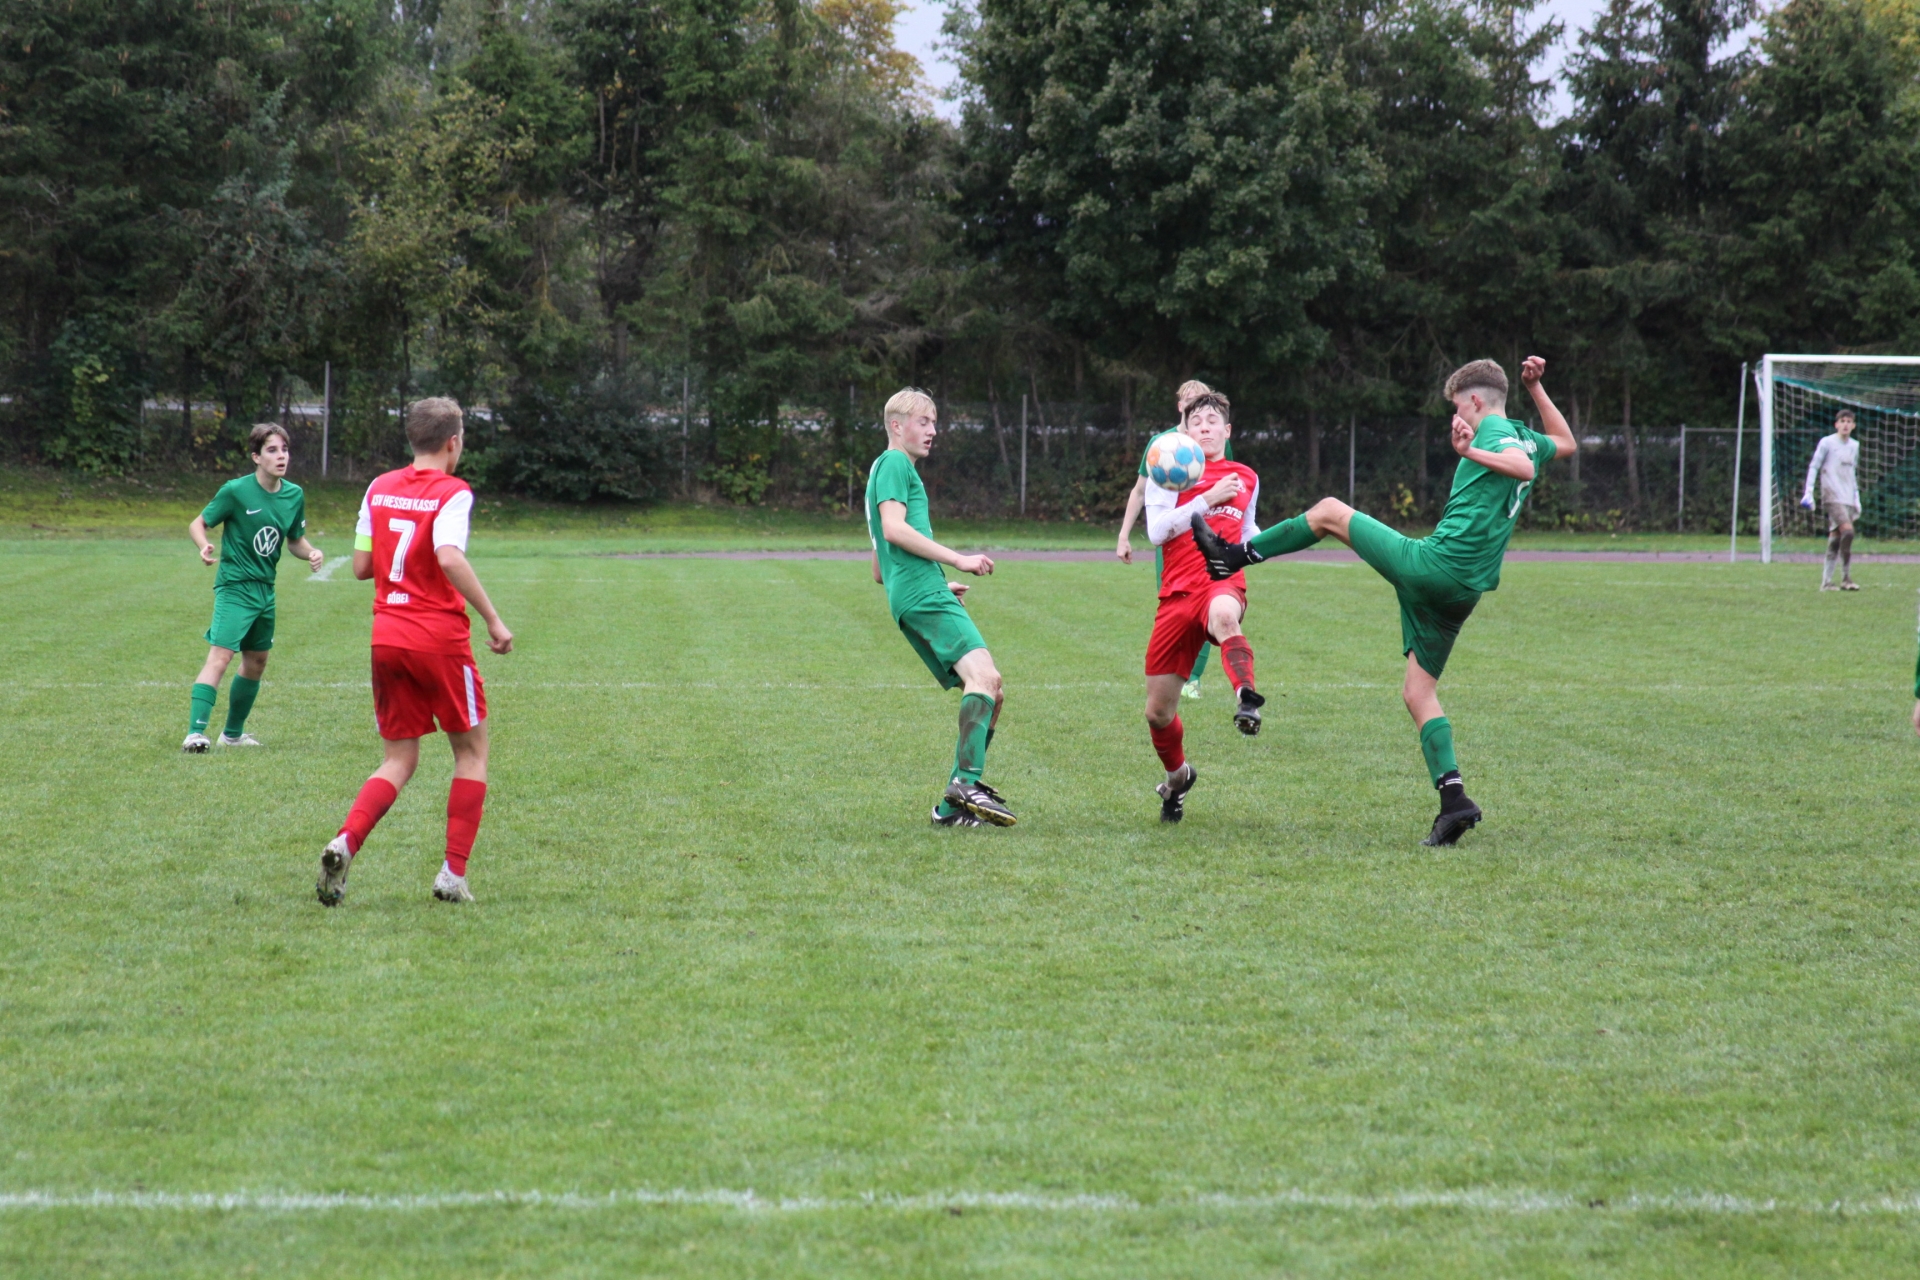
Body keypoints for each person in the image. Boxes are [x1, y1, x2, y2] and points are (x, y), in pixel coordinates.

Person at [1190, 357, 1575, 846]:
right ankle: (1454, 801)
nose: (1457, 418)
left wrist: (1470, 450)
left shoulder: (1496, 435)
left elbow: (1522, 467)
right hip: (1465, 590)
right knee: (1418, 693)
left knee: (1329, 512)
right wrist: (1536, 387)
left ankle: (1231, 556)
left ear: (1476, 401)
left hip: (1435, 567)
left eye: (1459, 408)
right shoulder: (1522, 434)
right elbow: (1565, 442)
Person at [316, 397, 513, 907]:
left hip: (387, 637)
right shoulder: (453, 491)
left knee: (398, 758)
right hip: (438, 639)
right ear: (453, 442)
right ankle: (452, 873)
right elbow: (448, 556)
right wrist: (493, 619)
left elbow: (361, 567)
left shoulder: (378, 486)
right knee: (471, 752)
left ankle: (345, 842)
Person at [865, 388, 1015, 827]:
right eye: (924, 422)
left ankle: (950, 810)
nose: (933, 430)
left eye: (934, 422)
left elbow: (879, 568)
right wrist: (957, 559)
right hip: (921, 593)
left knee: (992, 692)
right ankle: (965, 784)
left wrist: (935, 581)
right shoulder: (894, 464)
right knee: (985, 678)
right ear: (897, 426)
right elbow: (893, 530)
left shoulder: (881, 469)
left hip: (917, 591)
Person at [1142, 391, 1264, 823]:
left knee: (1226, 616)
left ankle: (1246, 698)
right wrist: (1206, 498)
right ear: (1186, 431)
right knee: (1158, 713)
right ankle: (1178, 779)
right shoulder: (1166, 471)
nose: (1205, 427)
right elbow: (1157, 532)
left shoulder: (1246, 476)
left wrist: (1269, 545)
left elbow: (1248, 531)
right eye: (1197, 422)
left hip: (1221, 580)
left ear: (1227, 431)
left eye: (1213, 421)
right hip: (1177, 593)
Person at [182, 423, 325, 752]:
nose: (281, 456)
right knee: (221, 656)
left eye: (284, 450)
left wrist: (311, 552)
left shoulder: (294, 495)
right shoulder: (236, 491)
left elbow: (295, 540)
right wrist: (203, 545)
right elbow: (198, 523)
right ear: (256, 457)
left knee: (257, 660)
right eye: (272, 450)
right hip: (235, 586)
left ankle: (232, 735)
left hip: (265, 590)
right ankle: (194, 733)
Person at [1117, 379, 1216, 698]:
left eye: (1202, 401)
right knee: (1176, 605)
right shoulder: (1161, 443)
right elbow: (1139, 491)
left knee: (1208, 604)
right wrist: (1124, 535)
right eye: (1190, 401)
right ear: (1180, 406)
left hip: (1204, 537)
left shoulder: (1214, 442)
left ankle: (1194, 678)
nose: (1196, 407)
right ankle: (1173, 671)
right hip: (1171, 539)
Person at [1800, 409, 1861, 591]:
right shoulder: (1827, 442)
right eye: (1842, 421)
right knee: (1848, 532)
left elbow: (1852, 473)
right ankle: (1846, 578)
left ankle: (1826, 582)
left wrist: (1856, 498)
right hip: (1831, 495)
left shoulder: (1854, 446)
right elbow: (1814, 466)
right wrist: (1809, 491)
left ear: (1853, 425)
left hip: (1847, 497)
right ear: (1836, 424)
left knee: (1835, 539)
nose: (1845, 424)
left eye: (1849, 421)